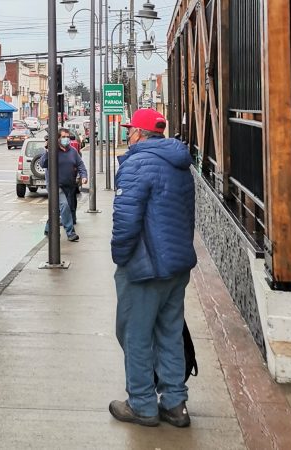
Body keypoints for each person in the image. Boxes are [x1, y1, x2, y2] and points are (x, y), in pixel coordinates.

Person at [109, 108, 197, 428]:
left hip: (145, 266)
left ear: (140, 134)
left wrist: (120, 257)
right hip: (177, 264)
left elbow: (126, 220)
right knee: (169, 332)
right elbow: (188, 215)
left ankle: (142, 403)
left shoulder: (136, 164)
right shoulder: (180, 164)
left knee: (135, 334)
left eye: (130, 129)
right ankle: (175, 403)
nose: (127, 134)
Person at [41, 128, 87, 242]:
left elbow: (80, 164)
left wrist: (84, 175)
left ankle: (48, 228)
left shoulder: (73, 151)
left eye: (68, 136)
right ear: (58, 139)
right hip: (55, 185)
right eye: (63, 137)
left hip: (68, 185)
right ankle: (70, 232)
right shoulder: (53, 151)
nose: (66, 139)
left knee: (57, 208)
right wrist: (47, 150)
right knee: (64, 206)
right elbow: (43, 164)